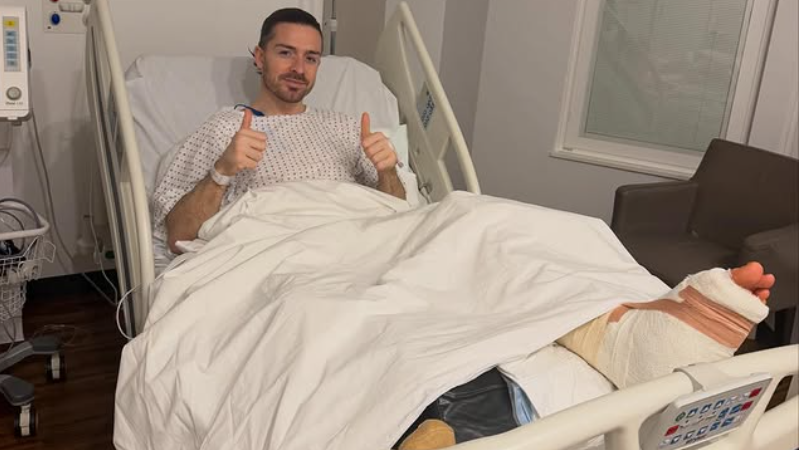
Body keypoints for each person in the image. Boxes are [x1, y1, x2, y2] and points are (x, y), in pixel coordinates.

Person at [151, 8, 407, 254]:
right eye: (286, 53)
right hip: (276, 251)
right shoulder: (224, 129)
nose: (298, 68)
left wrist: (387, 172)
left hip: (357, 244)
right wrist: (222, 172)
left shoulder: (347, 128)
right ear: (260, 57)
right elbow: (179, 236)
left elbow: (397, 212)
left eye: (310, 58)